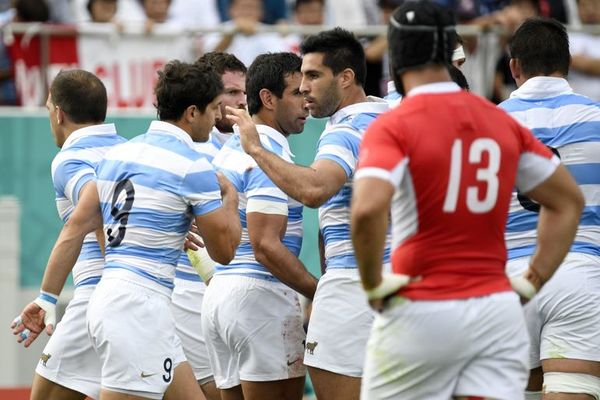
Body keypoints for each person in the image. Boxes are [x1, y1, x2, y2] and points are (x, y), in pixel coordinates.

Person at [350, 2, 584, 399]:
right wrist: (532, 280)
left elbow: (369, 208)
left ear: (397, 55)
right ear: (450, 51)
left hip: (422, 305)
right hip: (496, 310)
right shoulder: (499, 119)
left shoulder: (392, 123)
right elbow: (567, 201)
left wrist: (373, 286)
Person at [12, 60, 241, 400]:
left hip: (130, 302)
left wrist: (47, 296)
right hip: (137, 306)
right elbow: (224, 253)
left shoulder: (121, 155)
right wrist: (230, 199)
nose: (215, 119)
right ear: (193, 112)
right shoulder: (195, 166)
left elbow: (77, 226)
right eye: (211, 110)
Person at [229, 27, 390, 400]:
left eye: (314, 75)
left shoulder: (346, 130)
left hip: (353, 286)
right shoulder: (389, 115)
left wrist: (255, 149)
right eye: (302, 77)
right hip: (400, 284)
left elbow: (315, 190)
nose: (303, 88)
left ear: (346, 78)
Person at [203, 51, 317, 400]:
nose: (307, 102)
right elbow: (265, 245)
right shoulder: (267, 152)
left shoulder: (229, 150)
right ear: (267, 99)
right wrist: (320, 293)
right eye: (297, 93)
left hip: (220, 298)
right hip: (259, 298)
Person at [499, 17, 600, 399]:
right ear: (568, 63)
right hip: (580, 272)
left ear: (514, 66)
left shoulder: (485, 126)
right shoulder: (596, 118)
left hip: (508, 280)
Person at [10, 69, 125, 400]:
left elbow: (100, 207)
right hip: (148, 293)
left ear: (58, 113)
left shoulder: (70, 158)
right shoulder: (129, 150)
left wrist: (118, 278)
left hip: (99, 296)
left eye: (48, 109)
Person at [170, 52, 246, 400]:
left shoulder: (244, 145)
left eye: (243, 92)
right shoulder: (192, 153)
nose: (240, 101)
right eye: (230, 93)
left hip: (231, 290)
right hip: (195, 292)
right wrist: (213, 277)